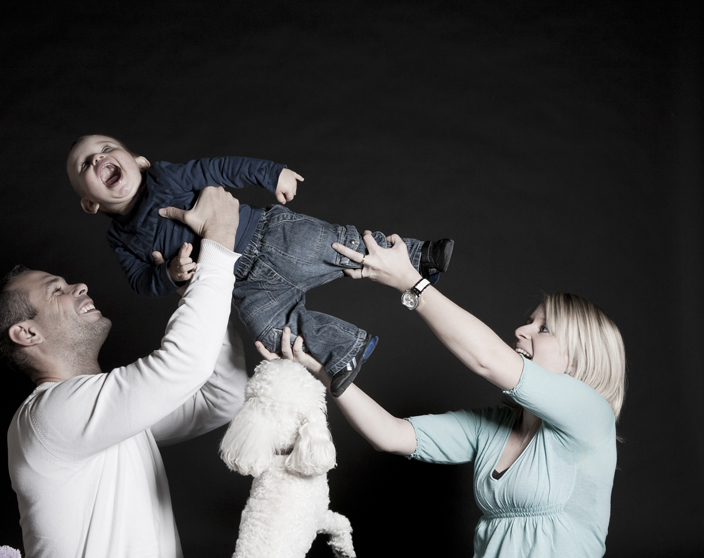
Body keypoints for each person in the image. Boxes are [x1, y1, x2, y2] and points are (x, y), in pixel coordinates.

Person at [0, 187, 369, 558]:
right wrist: (220, 248)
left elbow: (220, 394)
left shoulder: (100, 408)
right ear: (27, 332)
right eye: (57, 291)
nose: (78, 285)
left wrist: (192, 286)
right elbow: (178, 369)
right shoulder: (50, 417)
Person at [259, 229, 626, 558]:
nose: (522, 329)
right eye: (529, 319)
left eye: (542, 328)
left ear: (579, 357)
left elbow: (490, 361)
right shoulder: (494, 425)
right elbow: (392, 435)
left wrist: (412, 283)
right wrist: (328, 374)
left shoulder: (590, 419)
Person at [65, 134, 454, 396]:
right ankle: (343, 348)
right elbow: (139, 281)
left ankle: (419, 255)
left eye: (106, 148)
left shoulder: (165, 178)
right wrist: (167, 274)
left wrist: (271, 173)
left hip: (267, 235)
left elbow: (218, 168)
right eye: (86, 164)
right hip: (244, 285)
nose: (99, 157)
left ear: (138, 161)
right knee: (272, 331)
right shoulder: (120, 239)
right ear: (89, 204)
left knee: (340, 246)